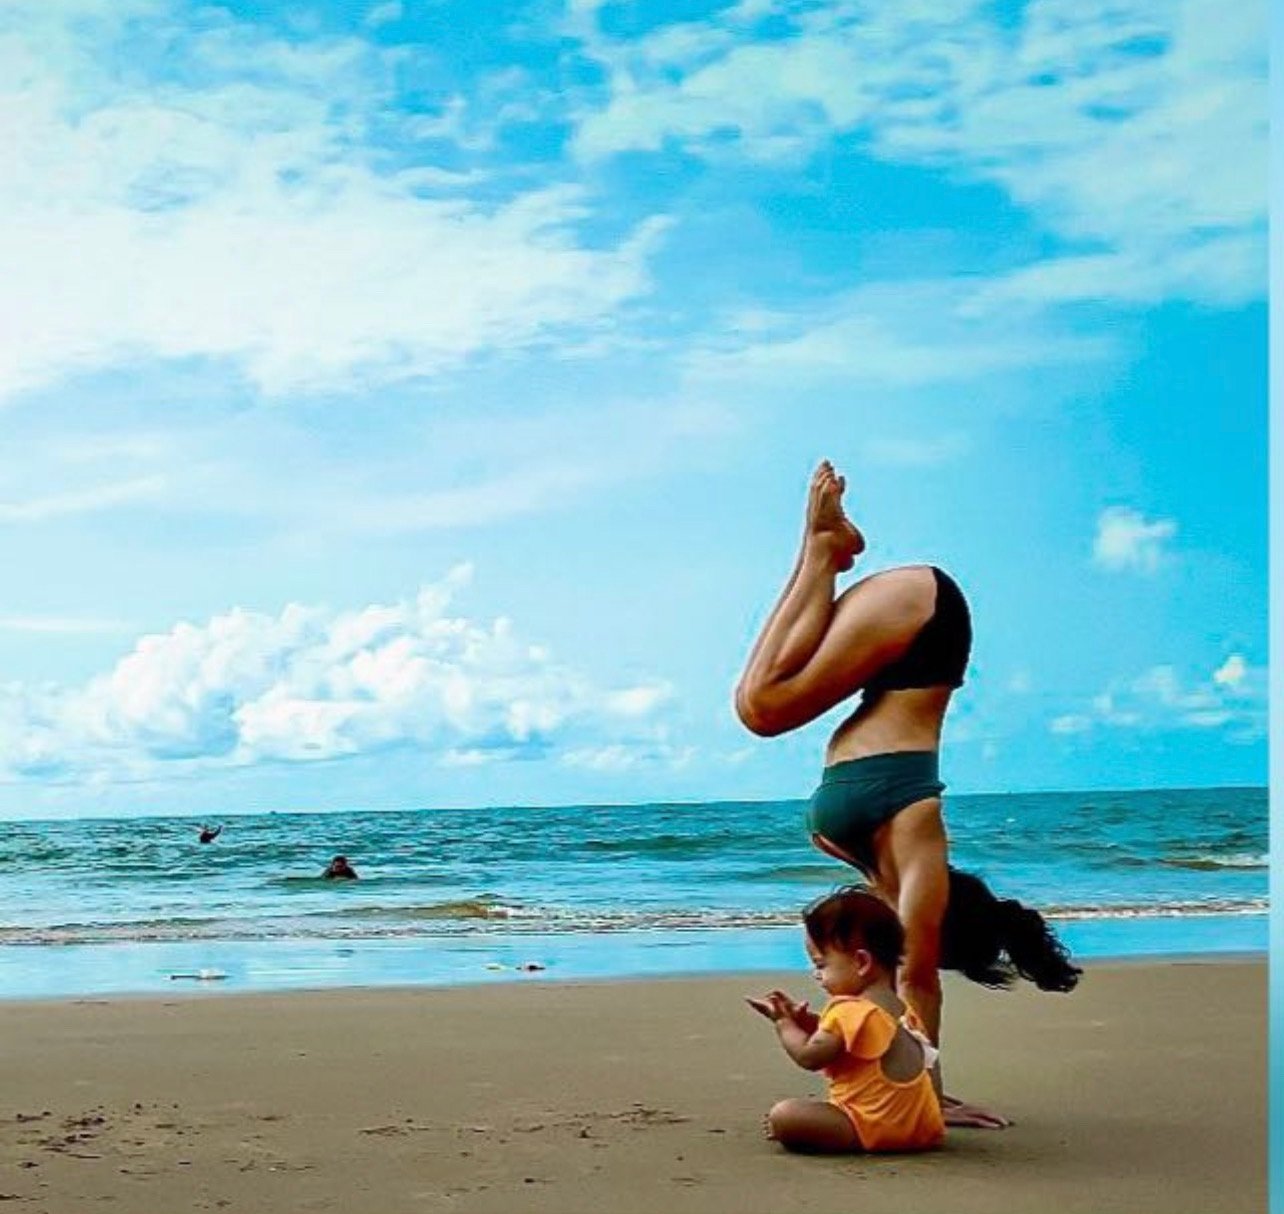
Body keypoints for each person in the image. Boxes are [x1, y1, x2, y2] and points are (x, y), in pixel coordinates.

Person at [735, 461, 1079, 1128]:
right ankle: (821, 549)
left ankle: (826, 551)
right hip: (926, 618)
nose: (917, 948)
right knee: (762, 707)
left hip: (908, 640)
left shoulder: (880, 872)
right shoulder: (919, 839)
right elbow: (917, 981)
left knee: (759, 704)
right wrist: (935, 1095)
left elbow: (889, 991)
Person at [748, 887, 944, 1154]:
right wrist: (811, 1025)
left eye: (821, 965)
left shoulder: (848, 1010)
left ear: (862, 962)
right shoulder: (903, 1014)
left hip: (870, 1125)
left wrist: (783, 1022)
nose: (817, 975)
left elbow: (810, 1056)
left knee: (784, 1114)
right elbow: (856, 1045)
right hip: (921, 1131)